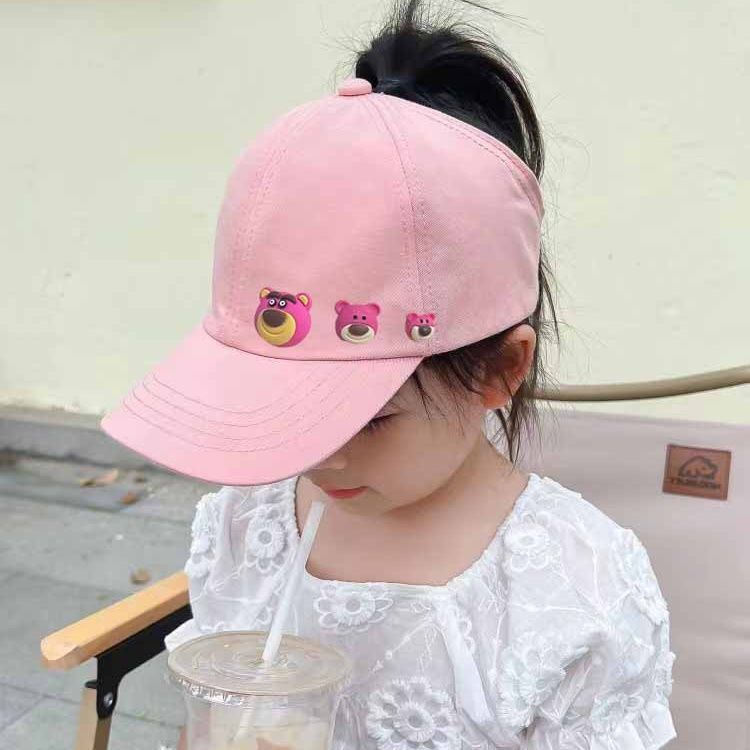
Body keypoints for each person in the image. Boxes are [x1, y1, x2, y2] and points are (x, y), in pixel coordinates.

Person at [101, 1, 677, 748]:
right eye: (285, 404)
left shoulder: (572, 585)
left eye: (371, 417)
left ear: (500, 369)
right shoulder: (248, 528)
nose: (325, 454)